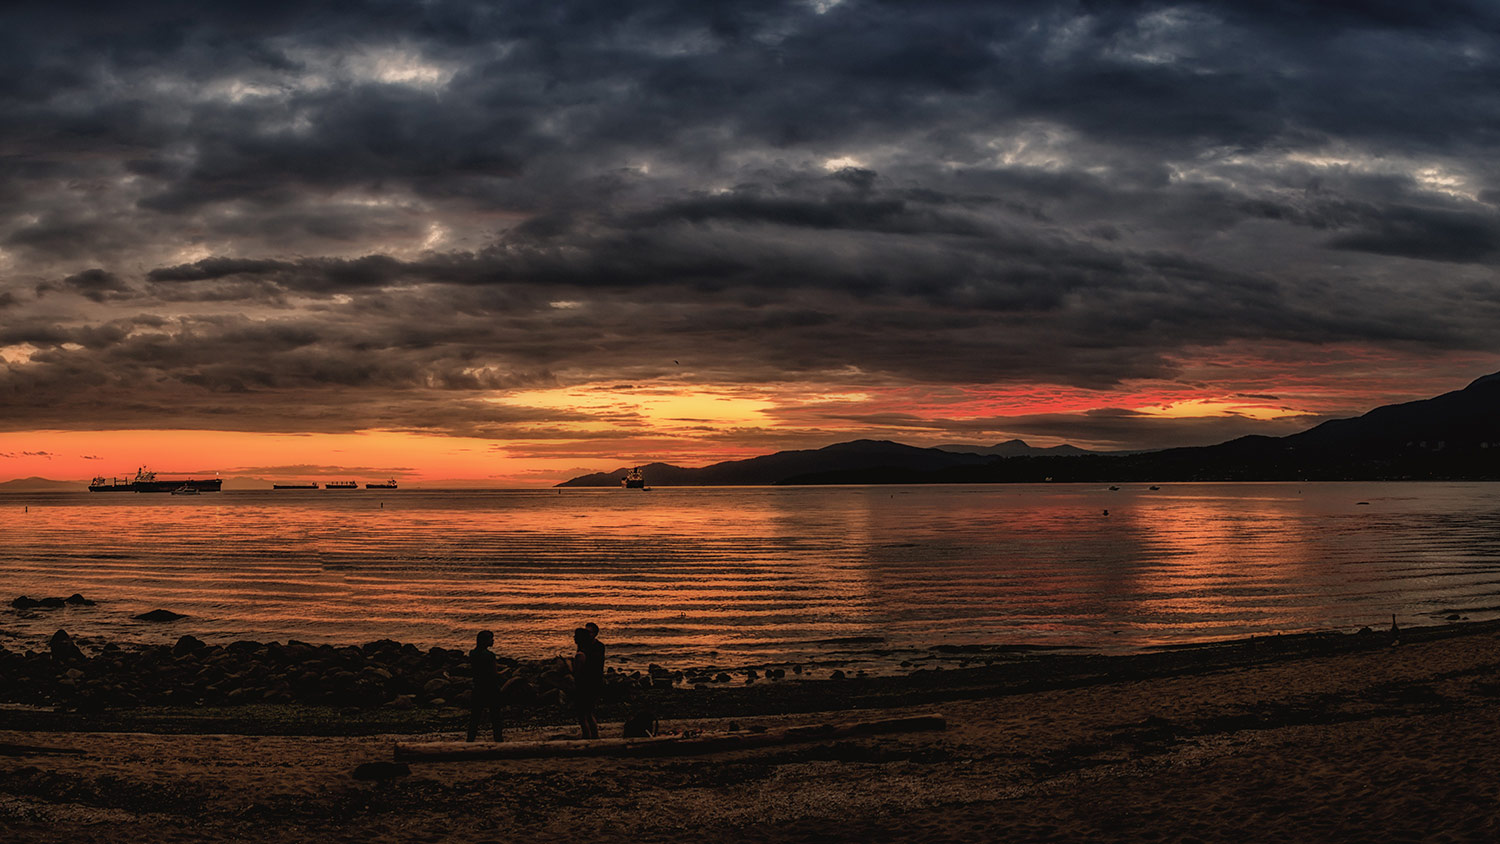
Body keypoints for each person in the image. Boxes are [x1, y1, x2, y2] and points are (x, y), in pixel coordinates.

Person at [467, 630, 503, 742]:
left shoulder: (472, 653)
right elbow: (494, 673)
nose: (493, 640)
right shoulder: (490, 655)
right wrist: (505, 671)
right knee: (495, 716)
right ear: (484, 641)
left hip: (478, 686)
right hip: (491, 688)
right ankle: (498, 740)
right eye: (491, 638)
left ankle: (470, 740)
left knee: (475, 717)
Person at [572, 625, 604, 739]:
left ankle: (587, 736)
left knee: (582, 714)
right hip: (593, 684)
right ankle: (594, 736)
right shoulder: (591, 651)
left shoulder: (581, 654)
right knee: (589, 713)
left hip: (583, 686)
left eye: (575, 636)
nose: (573, 638)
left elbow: (577, 673)